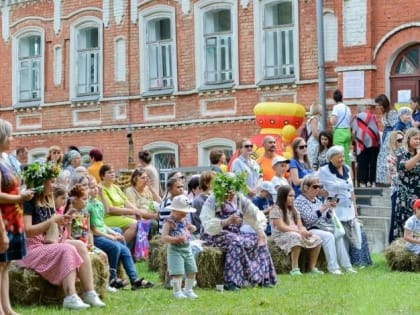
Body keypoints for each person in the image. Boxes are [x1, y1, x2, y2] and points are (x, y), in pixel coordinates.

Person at [19, 161, 105, 310]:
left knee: (80, 246)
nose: (54, 185)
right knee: (67, 249)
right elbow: (28, 231)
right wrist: (52, 220)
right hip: (31, 247)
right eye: (51, 182)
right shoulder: (29, 201)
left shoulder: (48, 199)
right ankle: (70, 296)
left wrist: (63, 220)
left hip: (47, 242)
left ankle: (89, 292)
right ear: (41, 182)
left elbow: (52, 232)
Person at [200, 172, 277, 290]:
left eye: (233, 191)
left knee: (256, 239)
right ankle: (231, 282)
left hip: (234, 233)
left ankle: (263, 278)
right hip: (214, 234)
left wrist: (260, 232)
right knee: (236, 242)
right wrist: (226, 221)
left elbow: (254, 213)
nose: (231, 194)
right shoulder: (213, 200)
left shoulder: (239, 199)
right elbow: (206, 224)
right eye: (228, 191)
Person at [86, 175, 154, 290]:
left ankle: (134, 279)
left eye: (96, 187)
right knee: (115, 247)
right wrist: (110, 236)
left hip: (102, 231)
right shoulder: (87, 206)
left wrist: (114, 233)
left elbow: (102, 223)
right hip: (96, 236)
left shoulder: (97, 203)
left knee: (120, 238)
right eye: (92, 187)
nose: (96, 189)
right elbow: (93, 230)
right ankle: (113, 278)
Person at [0, 119, 34, 315]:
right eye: (9, 135)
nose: (12, 139)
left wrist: (22, 193)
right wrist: (19, 196)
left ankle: (7, 308)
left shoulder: (6, 159)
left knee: (5, 265)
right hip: (3, 221)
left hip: (13, 218)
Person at [318, 146, 372, 266]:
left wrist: (355, 208)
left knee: (352, 235)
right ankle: (341, 262)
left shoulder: (347, 168)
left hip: (349, 208)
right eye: (339, 157)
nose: (342, 159)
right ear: (331, 158)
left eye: (342, 156)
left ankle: (353, 261)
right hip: (335, 209)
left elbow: (351, 190)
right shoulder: (323, 170)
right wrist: (324, 193)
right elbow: (314, 184)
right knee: (340, 235)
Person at [294, 175, 356, 274]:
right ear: (305, 187)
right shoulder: (300, 201)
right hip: (308, 229)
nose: (318, 189)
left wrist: (330, 210)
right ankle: (333, 268)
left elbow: (325, 218)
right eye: (315, 187)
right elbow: (308, 220)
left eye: (319, 186)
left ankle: (346, 266)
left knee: (338, 235)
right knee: (329, 236)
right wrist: (323, 208)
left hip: (321, 227)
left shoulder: (317, 200)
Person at [269, 185, 323, 276]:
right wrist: (299, 231)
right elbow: (281, 227)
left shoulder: (294, 210)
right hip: (281, 234)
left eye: (293, 196)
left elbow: (300, 226)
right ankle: (295, 268)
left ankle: (312, 267)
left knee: (317, 238)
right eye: (290, 196)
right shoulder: (276, 209)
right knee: (296, 237)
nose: (293, 198)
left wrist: (305, 231)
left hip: (295, 232)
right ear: (283, 196)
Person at [99, 164, 157, 244]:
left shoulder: (115, 187)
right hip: (108, 217)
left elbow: (127, 202)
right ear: (102, 176)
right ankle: (122, 248)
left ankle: (140, 252)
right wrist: (132, 212)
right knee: (134, 224)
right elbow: (110, 209)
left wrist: (137, 211)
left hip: (120, 216)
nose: (113, 174)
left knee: (144, 222)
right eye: (109, 172)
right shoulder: (101, 189)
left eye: (113, 172)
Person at [162, 195, 198, 299]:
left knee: (192, 270)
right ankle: (177, 291)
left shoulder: (184, 219)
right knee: (178, 272)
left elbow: (190, 228)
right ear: (174, 210)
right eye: (183, 212)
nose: (185, 214)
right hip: (175, 249)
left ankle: (188, 290)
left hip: (187, 248)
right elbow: (164, 238)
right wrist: (175, 239)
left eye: (186, 212)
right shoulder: (169, 222)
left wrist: (191, 228)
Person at [393, 128, 420, 239]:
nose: (418, 141)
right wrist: (418, 156)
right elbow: (406, 167)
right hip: (406, 195)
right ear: (408, 139)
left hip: (418, 193)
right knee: (407, 224)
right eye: (416, 139)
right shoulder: (401, 152)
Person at [351, 104, 380, 187]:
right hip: (373, 141)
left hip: (362, 142)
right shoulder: (372, 116)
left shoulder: (357, 117)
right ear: (365, 110)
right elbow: (376, 128)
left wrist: (354, 141)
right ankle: (373, 181)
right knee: (373, 161)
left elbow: (354, 131)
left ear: (358, 111)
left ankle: (363, 182)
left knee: (363, 161)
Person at [375, 94, 398, 185]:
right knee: (382, 158)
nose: (377, 106)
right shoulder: (385, 113)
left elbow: (395, 127)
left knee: (387, 158)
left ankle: (389, 180)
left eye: (378, 104)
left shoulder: (391, 112)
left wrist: (392, 140)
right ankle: (384, 180)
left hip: (390, 137)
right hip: (385, 136)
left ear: (383, 104)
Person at [386, 131, 404, 243]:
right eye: (399, 140)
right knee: (395, 219)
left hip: (408, 190)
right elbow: (394, 176)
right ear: (394, 142)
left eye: (403, 139)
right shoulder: (391, 157)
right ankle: (392, 244)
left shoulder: (406, 155)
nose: (402, 142)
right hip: (397, 190)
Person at [330, 89, 352, 165]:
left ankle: (341, 175)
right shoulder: (347, 108)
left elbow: (333, 121)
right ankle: (349, 174)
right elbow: (349, 121)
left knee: (339, 156)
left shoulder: (336, 107)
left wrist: (330, 118)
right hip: (347, 132)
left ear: (334, 99)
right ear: (341, 98)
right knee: (346, 156)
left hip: (339, 133)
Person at [191, 171, 215, 236]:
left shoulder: (214, 198)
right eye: (215, 181)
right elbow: (201, 223)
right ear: (207, 183)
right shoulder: (198, 201)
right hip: (203, 234)